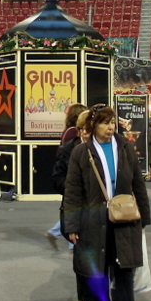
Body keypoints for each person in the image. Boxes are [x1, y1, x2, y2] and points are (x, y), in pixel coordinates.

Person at [64, 105, 150, 301]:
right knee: (99, 272)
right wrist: (71, 226)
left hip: (124, 220)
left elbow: (137, 184)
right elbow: (72, 192)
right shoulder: (81, 153)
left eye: (112, 122)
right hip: (93, 222)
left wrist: (144, 217)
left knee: (124, 273)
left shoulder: (125, 148)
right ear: (93, 126)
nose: (110, 127)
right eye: (105, 123)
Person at [46, 103, 88, 249]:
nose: (85, 133)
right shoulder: (71, 136)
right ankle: (62, 236)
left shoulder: (68, 131)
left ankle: (57, 234)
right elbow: (60, 176)